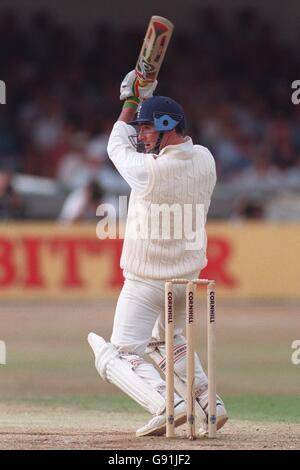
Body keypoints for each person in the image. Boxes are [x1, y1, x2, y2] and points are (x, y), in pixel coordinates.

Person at [88, 71, 228, 437]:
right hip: (187, 278)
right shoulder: (206, 159)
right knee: (168, 341)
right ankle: (209, 402)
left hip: (147, 281)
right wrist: (144, 103)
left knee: (118, 352)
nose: (142, 135)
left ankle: (168, 404)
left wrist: (130, 102)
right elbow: (151, 145)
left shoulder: (149, 172)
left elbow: (114, 147)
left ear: (168, 126)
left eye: (148, 128)